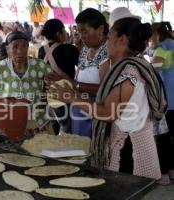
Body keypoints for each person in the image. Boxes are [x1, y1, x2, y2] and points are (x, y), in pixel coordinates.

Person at [49, 17, 167, 180]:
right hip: (131, 142)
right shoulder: (134, 65)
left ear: (122, 40)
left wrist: (72, 98)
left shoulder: (128, 73)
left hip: (130, 151)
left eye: (110, 36)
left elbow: (108, 113)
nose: (107, 41)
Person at [46, 8, 109, 137]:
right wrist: (61, 81)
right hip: (79, 111)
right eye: (79, 32)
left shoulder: (108, 52)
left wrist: (74, 85)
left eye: (85, 32)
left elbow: (105, 90)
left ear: (100, 29)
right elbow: (77, 79)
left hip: (97, 115)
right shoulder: (85, 50)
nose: (81, 37)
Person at [0, 31, 51, 129]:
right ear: (8, 50)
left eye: (24, 46)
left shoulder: (39, 65)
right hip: (11, 119)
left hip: (37, 120)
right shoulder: (1, 67)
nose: (20, 51)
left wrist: (44, 98)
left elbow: (53, 84)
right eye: (15, 47)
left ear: (28, 48)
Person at [38, 18, 79, 134]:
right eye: (64, 31)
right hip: (66, 94)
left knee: (55, 128)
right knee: (67, 128)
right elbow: (83, 67)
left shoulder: (41, 50)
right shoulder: (69, 49)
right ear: (58, 33)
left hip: (49, 95)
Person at [151, 22, 174, 185]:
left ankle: (164, 173)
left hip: (168, 101)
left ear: (157, 33)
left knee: (164, 138)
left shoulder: (162, 49)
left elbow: (152, 73)